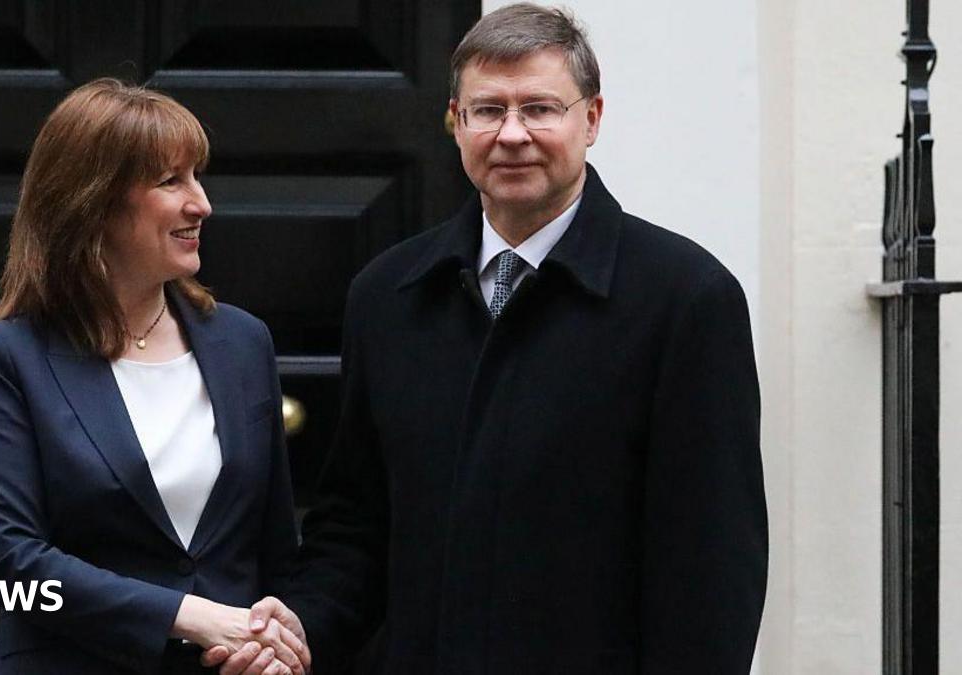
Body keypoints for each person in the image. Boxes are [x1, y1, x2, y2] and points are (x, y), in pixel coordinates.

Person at [206, 4, 767, 674]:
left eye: (539, 108)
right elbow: (355, 529)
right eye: (487, 110)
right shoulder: (386, 295)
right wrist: (298, 631)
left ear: (591, 119)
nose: (512, 134)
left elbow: (711, 569)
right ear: (456, 121)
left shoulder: (687, 300)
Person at [0, 79, 311, 675]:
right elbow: (11, 560)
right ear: (92, 202)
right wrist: (190, 614)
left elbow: (274, 547)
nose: (201, 203)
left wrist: (272, 642)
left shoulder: (242, 342)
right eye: (171, 181)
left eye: (196, 176)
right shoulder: (6, 356)